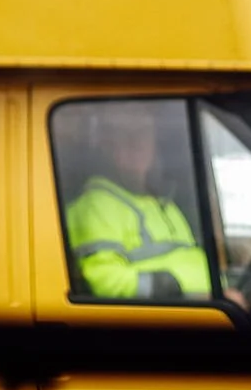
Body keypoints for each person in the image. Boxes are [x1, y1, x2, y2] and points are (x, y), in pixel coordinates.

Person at [61, 105, 212, 306]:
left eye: (143, 133)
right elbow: (106, 283)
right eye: (123, 135)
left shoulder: (161, 202)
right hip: (168, 319)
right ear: (107, 146)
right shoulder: (96, 206)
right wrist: (179, 290)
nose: (136, 143)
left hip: (210, 308)